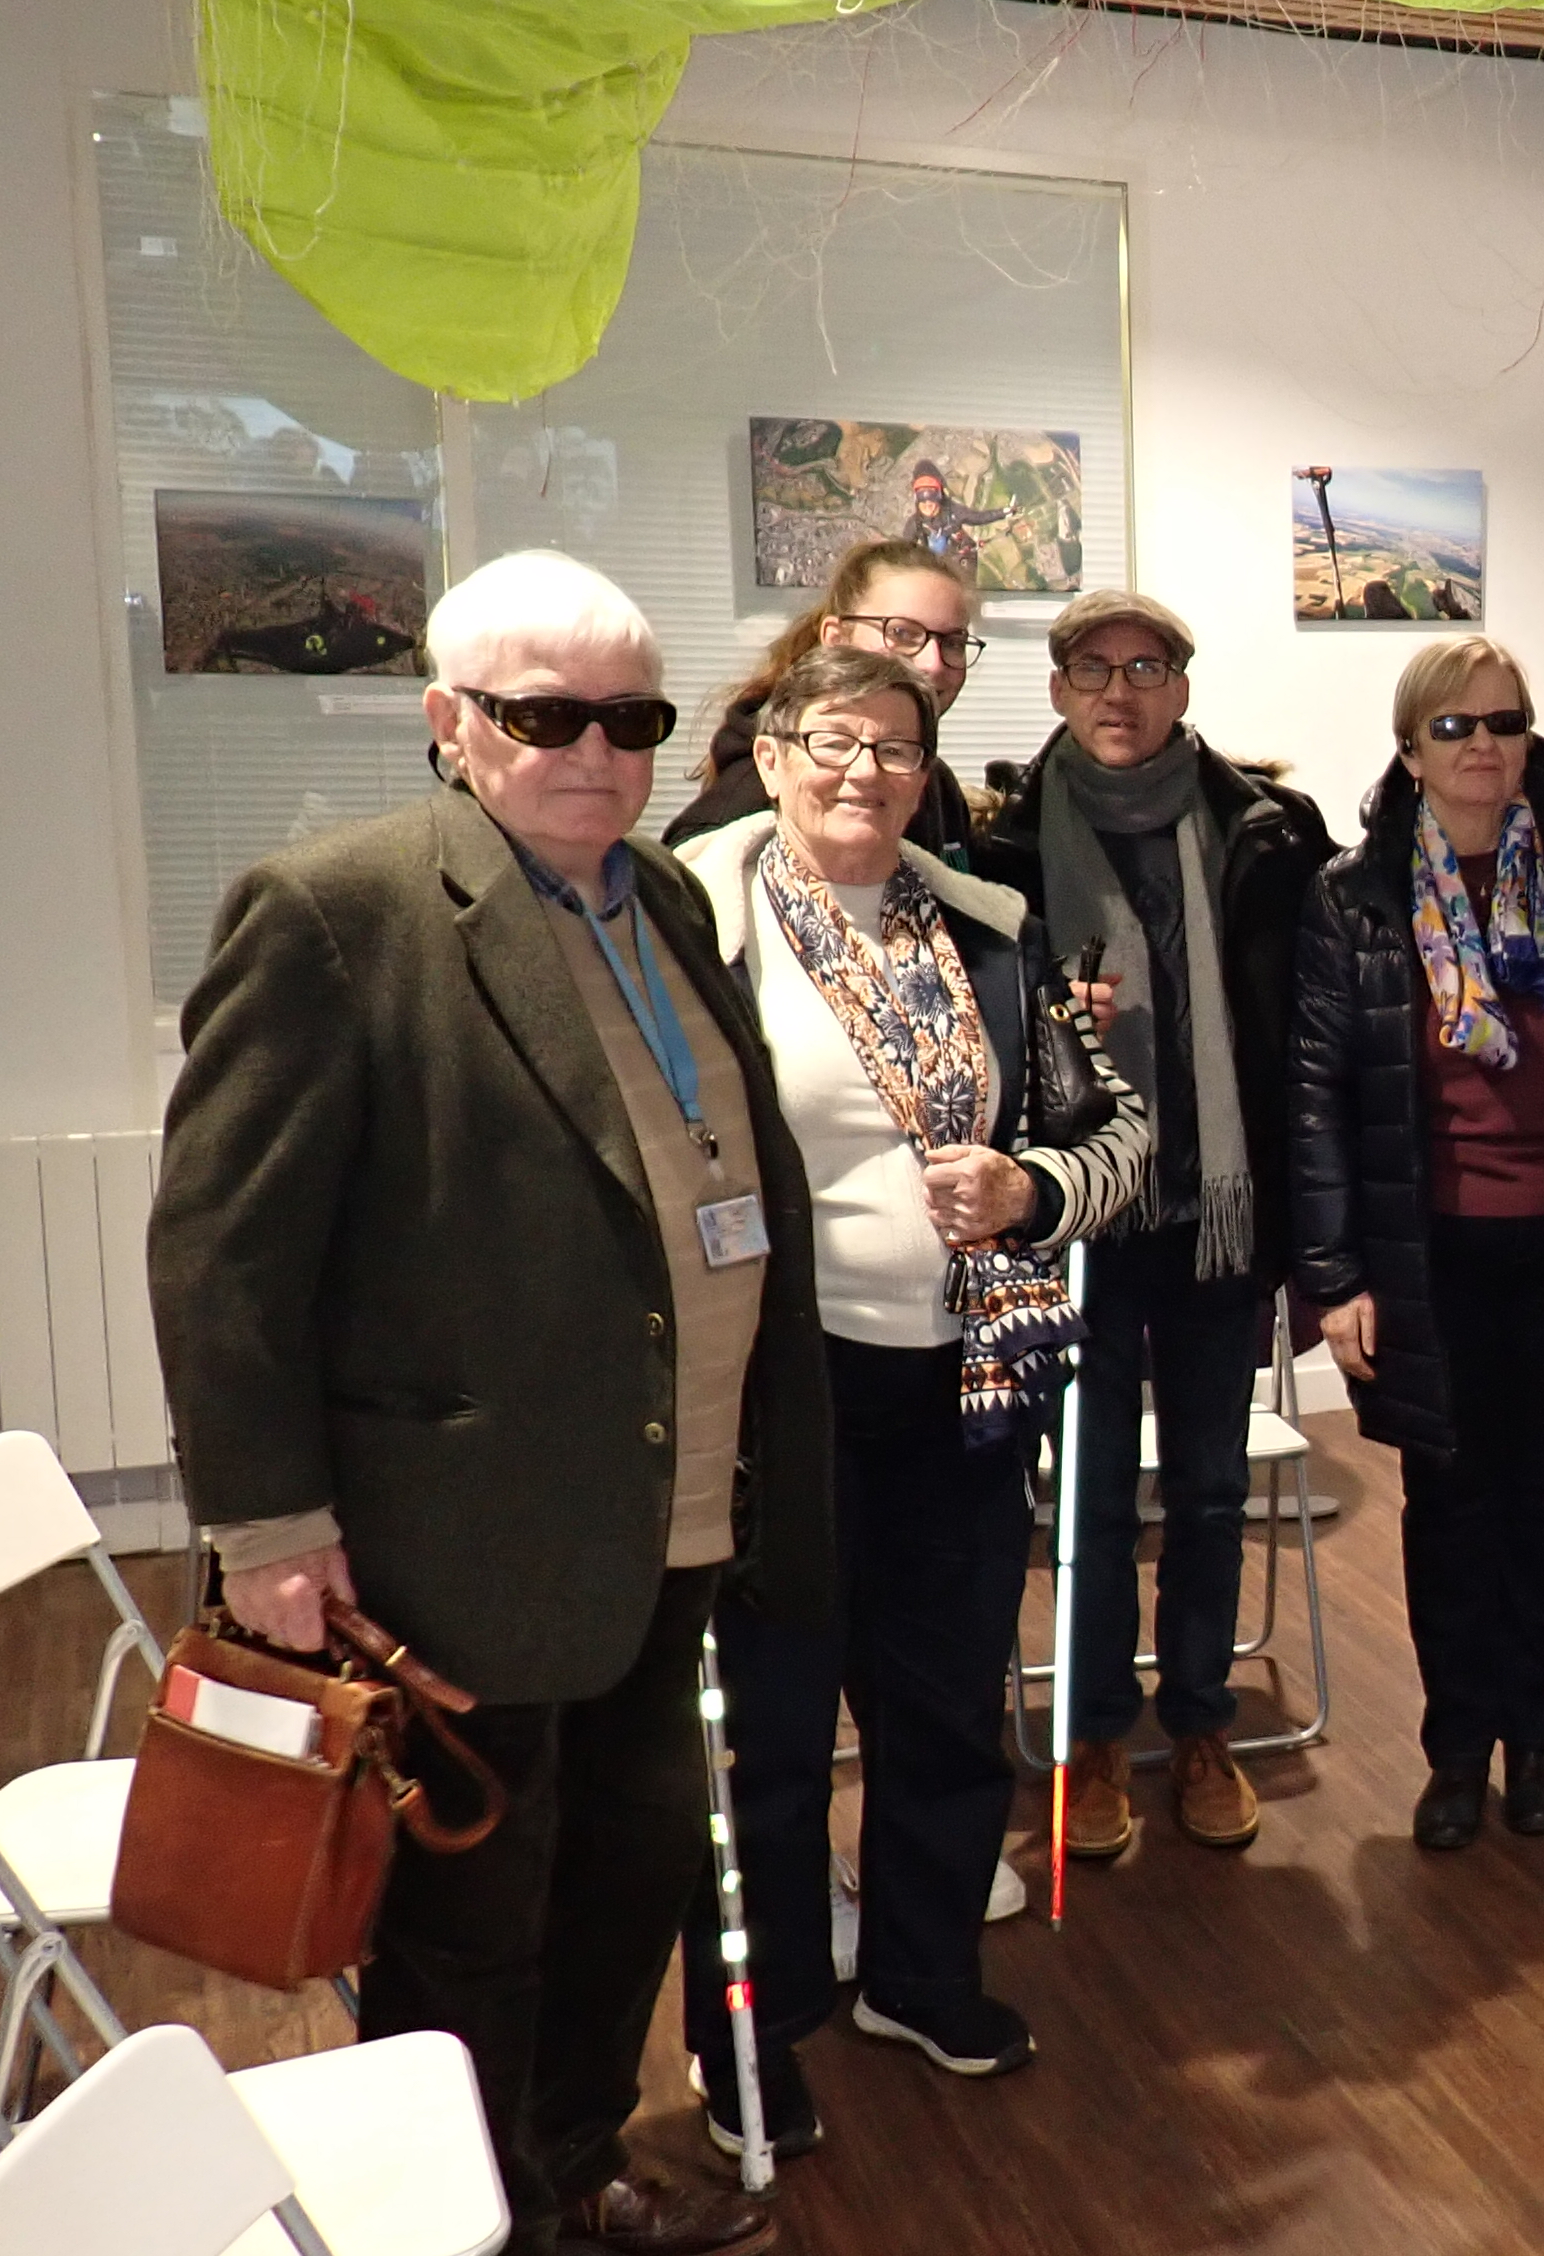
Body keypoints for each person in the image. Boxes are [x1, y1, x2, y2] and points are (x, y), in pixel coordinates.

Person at [150, 549, 828, 2256]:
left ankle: (573, 2162)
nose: (595, 750)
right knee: (470, 1917)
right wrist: (272, 1527)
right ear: (450, 720)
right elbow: (224, 1254)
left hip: (671, 1518)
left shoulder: (660, 895)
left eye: (631, 717)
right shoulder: (337, 913)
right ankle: (463, 2219)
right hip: (466, 1533)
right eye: (545, 715)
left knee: (630, 1871)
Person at [665, 645, 1154, 2151]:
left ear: (928, 772)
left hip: (964, 1384)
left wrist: (1032, 1185)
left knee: (948, 1710)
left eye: (894, 746)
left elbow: (1125, 1134)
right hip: (778, 1403)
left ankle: (925, 1978)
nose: (861, 770)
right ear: (771, 751)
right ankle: (759, 2036)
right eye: (833, 740)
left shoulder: (990, 934)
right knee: (776, 1740)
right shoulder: (698, 929)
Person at [1288, 636, 1544, 1849]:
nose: (1482, 746)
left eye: (1503, 722)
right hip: (1429, 1254)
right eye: (1453, 727)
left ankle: (1536, 1742)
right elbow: (1316, 1095)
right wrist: (1336, 1274)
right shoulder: (1354, 896)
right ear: (1410, 747)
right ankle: (1456, 1748)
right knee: (1449, 1508)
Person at [972, 590, 1333, 1857]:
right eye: (1091, 669)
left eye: (1146, 666)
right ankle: (1089, 1736)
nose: (1118, 691)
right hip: (1076, 1222)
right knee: (1087, 1511)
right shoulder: (994, 853)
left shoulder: (1268, 833)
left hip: (1214, 1224)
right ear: (1060, 690)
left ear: (1183, 685)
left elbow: (1307, 1038)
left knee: (1213, 1489)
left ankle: (1197, 1727)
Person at [663, 538, 989, 854]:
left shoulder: (938, 785)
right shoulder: (755, 797)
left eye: (953, 642)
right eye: (901, 633)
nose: (932, 663)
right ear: (836, 639)